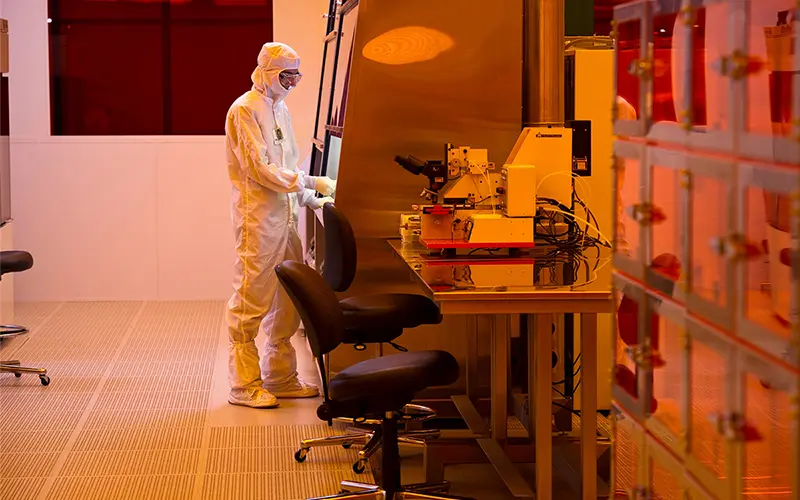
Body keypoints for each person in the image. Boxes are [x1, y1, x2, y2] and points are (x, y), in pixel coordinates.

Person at [225, 42, 336, 409]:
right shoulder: (244, 110)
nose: (292, 82)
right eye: (286, 75)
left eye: (296, 75)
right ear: (268, 73)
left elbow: (286, 162)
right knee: (251, 299)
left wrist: (309, 197)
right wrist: (310, 183)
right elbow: (259, 171)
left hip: (285, 217)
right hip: (259, 220)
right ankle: (243, 385)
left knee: (287, 297)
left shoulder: (279, 108)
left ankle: (280, 376)